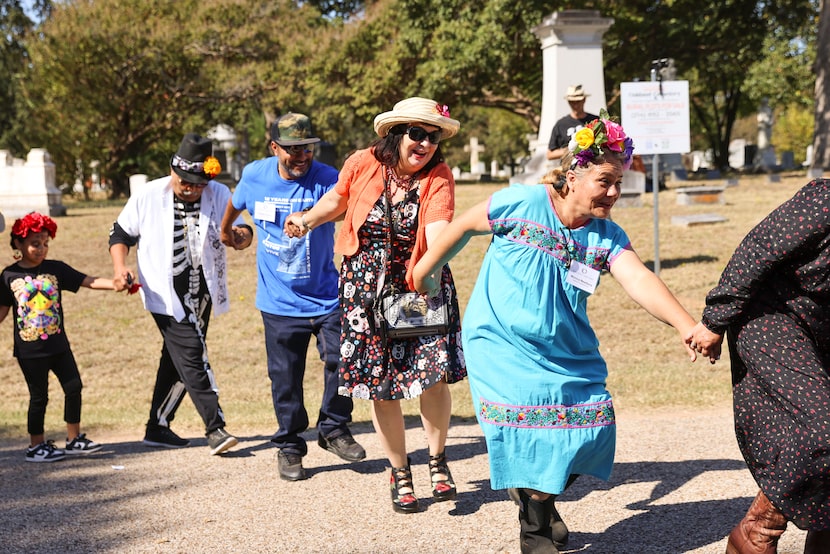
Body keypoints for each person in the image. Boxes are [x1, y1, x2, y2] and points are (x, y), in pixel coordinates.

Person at [412, 112, 698, 553]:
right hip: (501, 342)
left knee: (591, 428)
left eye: (619, 182)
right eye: (605, 181)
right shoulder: (521, 203)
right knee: (530, 435)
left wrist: (686, 325)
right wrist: (426, 270)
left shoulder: (605, 236)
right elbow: (465, 224)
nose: (615, 192)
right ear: (573, 175)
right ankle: (535, 530)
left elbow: (639, 279)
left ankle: (535, 497)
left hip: (567, 351)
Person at [284, 97, 467, 513]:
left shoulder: (438, 176)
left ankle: (437, 461)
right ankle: (399, 471)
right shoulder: (363, 162)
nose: (424, 144)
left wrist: (437, 256)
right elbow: (338, 199)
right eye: (417, 134)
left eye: (433, 137)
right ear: (397, 134)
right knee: (382, 382)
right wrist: (307, 218)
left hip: (419, 282)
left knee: (431, 375)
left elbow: (438, 227)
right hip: (365, 289)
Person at [686, 178, 830, 554]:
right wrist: (715, 319)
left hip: (822, 327)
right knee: (824, 429)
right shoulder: (825, 200)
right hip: (771, 316)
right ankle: (758, 531)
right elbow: (757, 251)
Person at [220, 113, 365, 482]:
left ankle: (333, 429)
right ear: (274, 148)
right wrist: (226, 233)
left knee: (342, 361)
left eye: (306, 148)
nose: (301, 156)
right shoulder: (255, 175)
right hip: (279, 302)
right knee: (285, 378)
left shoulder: (328, 178)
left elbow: (348, 207)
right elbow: (235, 204)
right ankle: (289, 445)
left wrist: (312, 216)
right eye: (292, 149)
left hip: (327, 296)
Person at [109, 133, 252, 456]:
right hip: (164, 292)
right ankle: (215, 427)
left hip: (203, 292)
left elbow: (242, 230)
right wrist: (120, 267)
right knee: (192, 354)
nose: (192, 188)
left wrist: (239, 237)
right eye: (186, 182)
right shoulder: (148, 195)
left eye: (199, 183)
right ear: (173, 171)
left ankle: (157, 426)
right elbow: (120, 233)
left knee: (177, 360)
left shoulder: (217, 193)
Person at [0, 212, 114, 462]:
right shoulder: (8, 276)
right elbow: (2, 311)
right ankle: (36, 446)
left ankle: (74, 439)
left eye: (45, 243)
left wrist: (116, 283)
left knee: (74, 387)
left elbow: (89, 281)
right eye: (35, 243)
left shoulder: (56, 269)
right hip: (30, 350)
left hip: (58, 345)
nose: (41, 249)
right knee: (39, 396)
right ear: (18, 244)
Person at [546, 85, 598, 162]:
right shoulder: (561, 124)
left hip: (592, 165)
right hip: (569, 167)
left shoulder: (595, 121)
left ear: (584, 100)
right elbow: (550, 154)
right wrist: (572, 148)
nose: (575, 105)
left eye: (578, 101)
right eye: (572, 102)